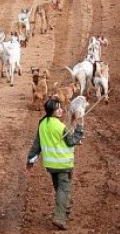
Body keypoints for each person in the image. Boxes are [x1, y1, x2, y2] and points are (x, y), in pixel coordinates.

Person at [26, 97, 84, 230]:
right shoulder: (60, 126)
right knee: (63, 190)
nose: (61, 110)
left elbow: (36, 145)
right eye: (58, 108)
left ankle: (66, 209)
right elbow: (71, 141)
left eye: (61, 107)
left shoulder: (42, 124)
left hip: (51, 165)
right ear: (52, 110)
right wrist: (79, 128)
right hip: (63, 164)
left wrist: (30, 162)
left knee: (60, 189)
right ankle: (60, 217)